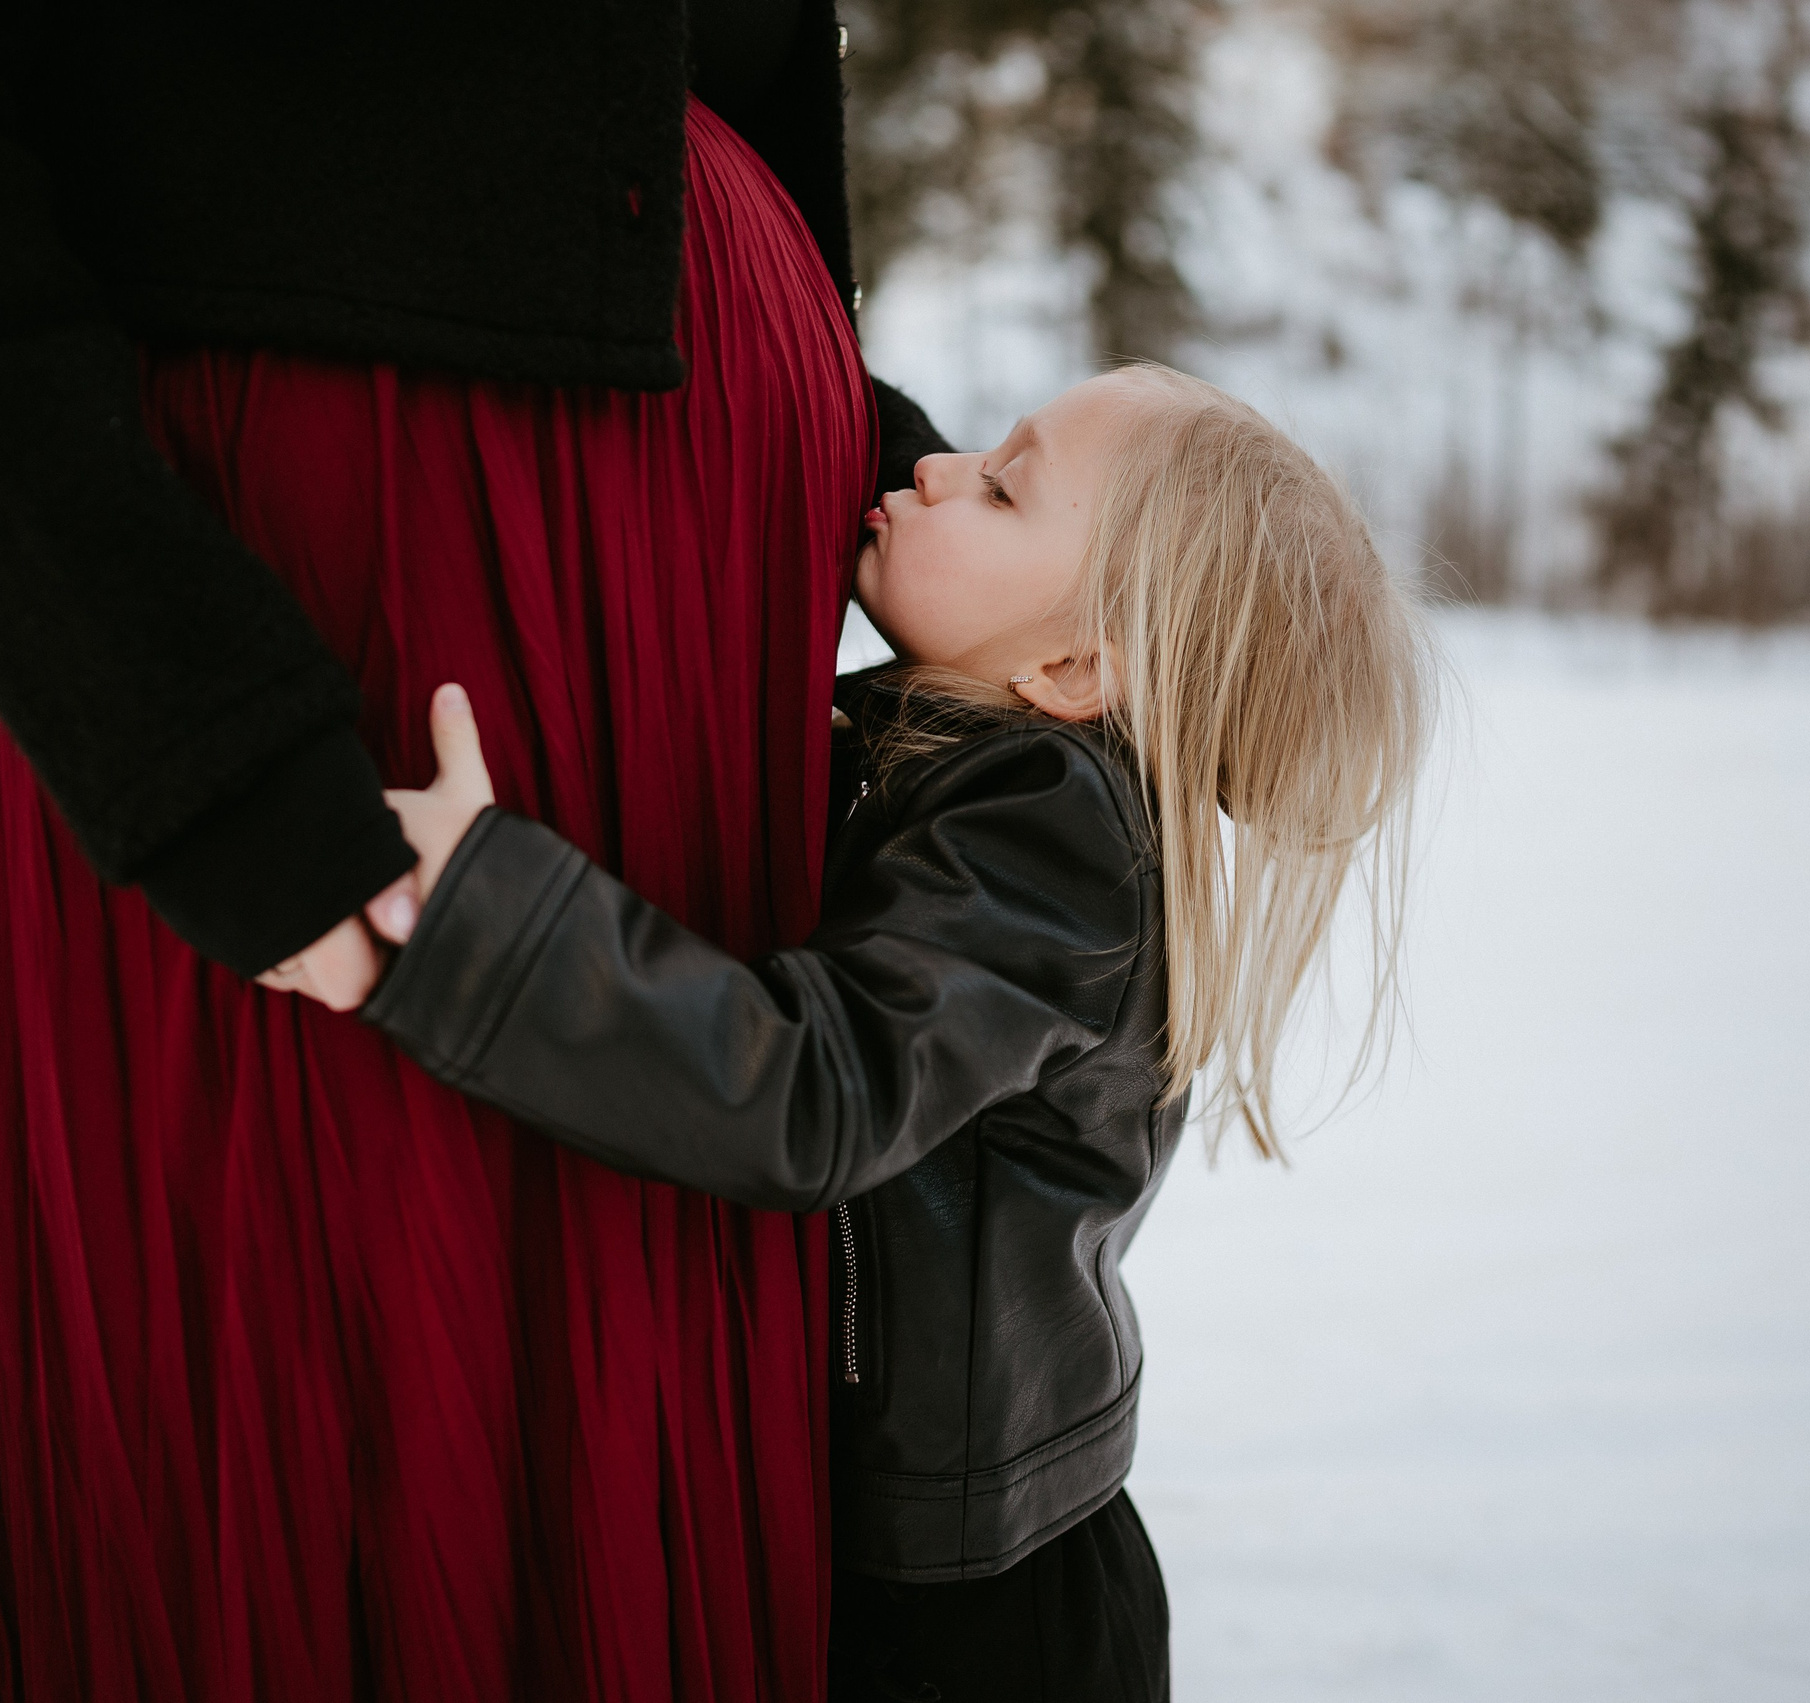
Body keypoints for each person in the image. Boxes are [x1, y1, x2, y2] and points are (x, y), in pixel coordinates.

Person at [0, 2, 948, 1696]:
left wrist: (889, 454)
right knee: (329, 1440)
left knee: (625, 1422)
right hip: (302, 591)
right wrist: (188, 732)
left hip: (679, 620)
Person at [334, 366, 1439, 1702]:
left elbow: (818, 1090)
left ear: (1070, 667)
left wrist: (484, 920)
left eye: (1001, 485)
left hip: (976, 1620)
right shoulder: (982, 752)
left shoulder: (1056, 840)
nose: (935, 468)